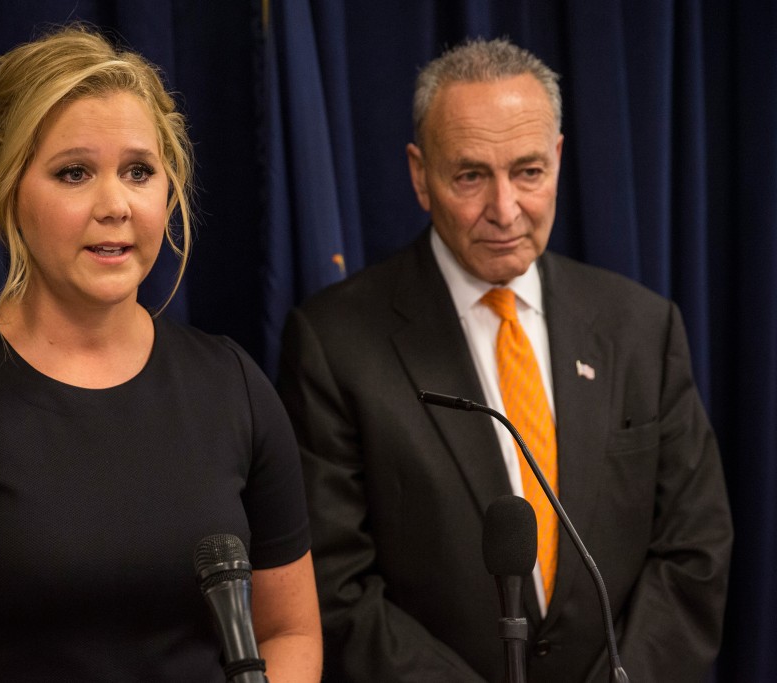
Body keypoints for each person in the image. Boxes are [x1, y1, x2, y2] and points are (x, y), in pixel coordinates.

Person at [0, 25, 321, 682]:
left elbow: (291, 629)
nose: (114, 205)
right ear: (9, 193)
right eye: (74, 172)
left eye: (138, 171)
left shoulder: (233, 385)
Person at [277, 37, 732, 682]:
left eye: (528, 171)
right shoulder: (334, 343)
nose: (505, 209)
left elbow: (695, 552)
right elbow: (336, 584)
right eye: (470, 175)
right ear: (419, 175)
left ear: (557, 160)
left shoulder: (641, 328)